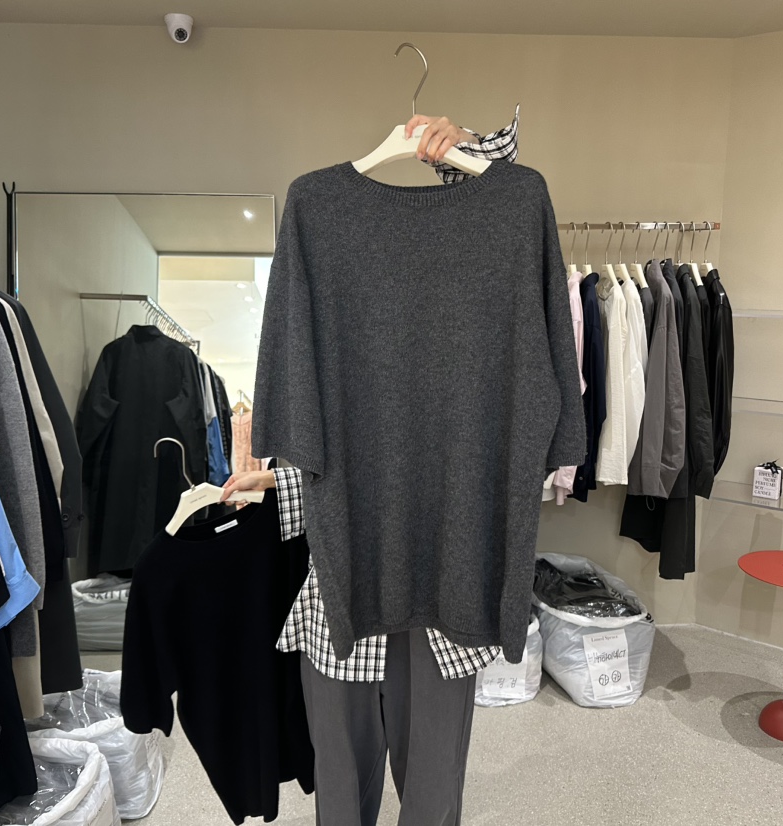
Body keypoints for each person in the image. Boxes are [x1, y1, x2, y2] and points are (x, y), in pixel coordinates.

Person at [222, 110, 520, 826]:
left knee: (432, 786)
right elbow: (302, 408)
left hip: (450, 575)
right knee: (343, 780)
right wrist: (280, 481)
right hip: (345, 571)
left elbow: (527, 399)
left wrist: (474, 155)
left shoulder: (508, 218)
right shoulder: (315, 211)